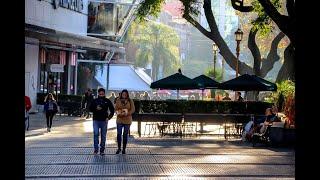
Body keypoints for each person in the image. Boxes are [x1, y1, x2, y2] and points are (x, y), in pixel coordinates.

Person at [89, 88, 114, 155]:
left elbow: (112, 110)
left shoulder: (107, 101)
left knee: (103, 136)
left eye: (102, 94)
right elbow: (90, 108)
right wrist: (95, 108)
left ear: (104, 94)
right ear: (98, 94)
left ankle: (102, 150)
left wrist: (108, 118)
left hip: (104, 121)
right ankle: (96, 149)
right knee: (96, 134)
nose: (101, 95)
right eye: (100, 94)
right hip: (96, 120)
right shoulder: (95, 101)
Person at [115, 89, 135, 154]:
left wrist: (127, 113)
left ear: (127, 94)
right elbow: (116, 108)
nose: (124, 95)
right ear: (121, 94)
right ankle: (119, 148)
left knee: (125, 135)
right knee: (119, 134)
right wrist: (119, 112)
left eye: (125, 94)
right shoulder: (118, 100)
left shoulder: (130, 100)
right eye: (123, 94)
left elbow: (133, 109)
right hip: (119, 119)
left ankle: (124, 149)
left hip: (127, 119)